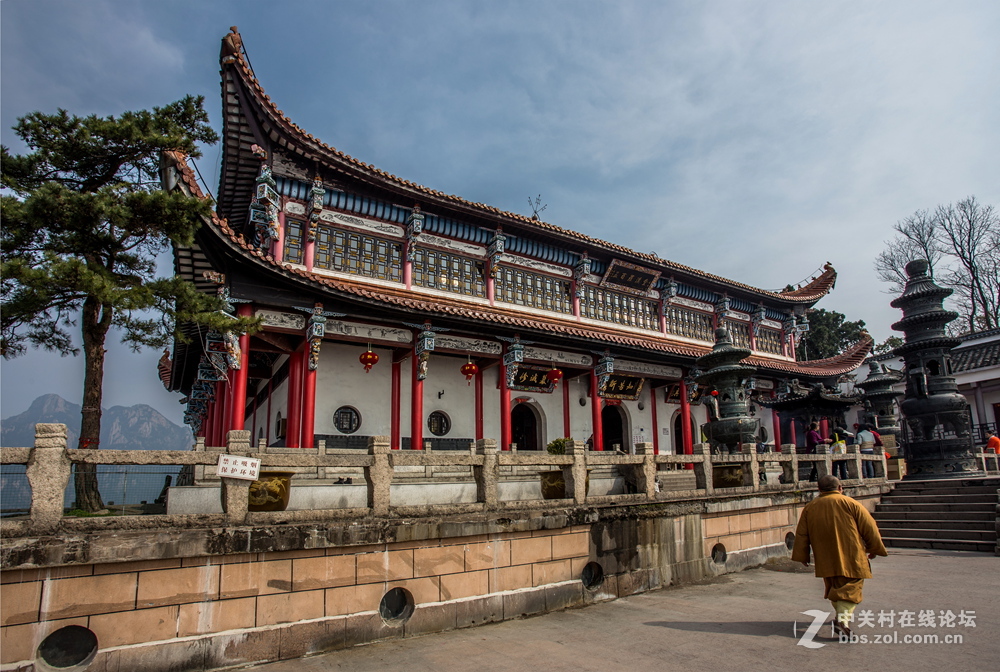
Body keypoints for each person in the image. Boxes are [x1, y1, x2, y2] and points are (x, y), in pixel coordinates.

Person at [791, 475, 888, 636]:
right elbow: (870, 528)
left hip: (824, 556)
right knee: (852, 586)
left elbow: (802, 534)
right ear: (840, 488)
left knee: (834, 585)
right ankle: (842, 620)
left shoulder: (811, 507)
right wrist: (874, 548)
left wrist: (802, 555)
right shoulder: (850, 503)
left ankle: (840, 616)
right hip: (851, 553)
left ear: (819, 490)